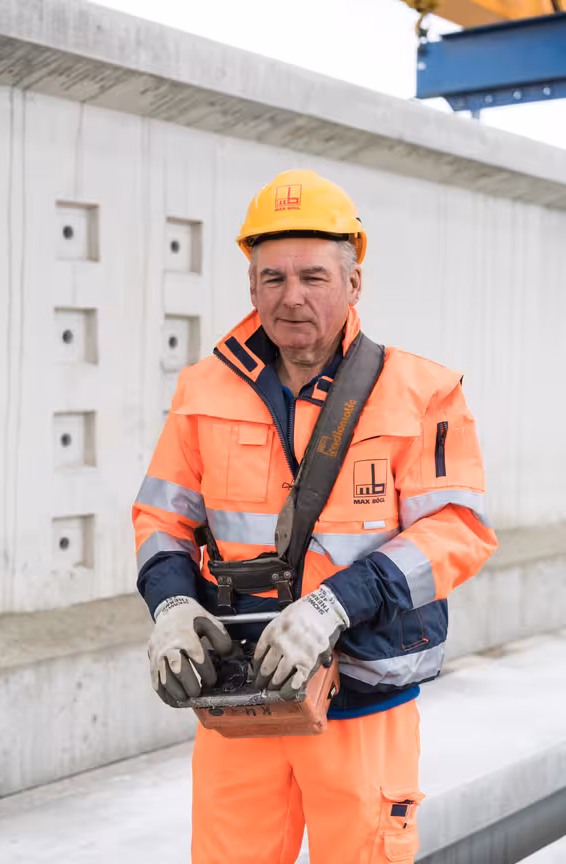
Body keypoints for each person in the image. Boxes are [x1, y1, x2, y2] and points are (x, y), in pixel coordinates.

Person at [133, 169, 497, 864]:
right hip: (237, 704)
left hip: (361, 704)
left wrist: (335, 605)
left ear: (354, 283)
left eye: (313, 276)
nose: (291, 297)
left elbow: (456, 529)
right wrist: (172, 605)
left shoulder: (422, 393)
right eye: (272, 278)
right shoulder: (202, 389)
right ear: (251, 288)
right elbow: (161, 517)